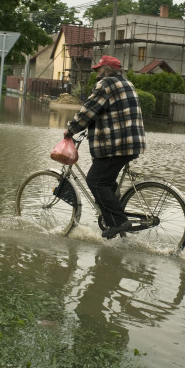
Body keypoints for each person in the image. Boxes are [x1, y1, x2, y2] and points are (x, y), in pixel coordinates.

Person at [65, 55, 146, 239]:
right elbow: (108, 112)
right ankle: (117, 223)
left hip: (116, 145)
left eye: (99, 70)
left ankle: (118, 222)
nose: (96, 74)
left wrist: (70, 130)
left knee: (95, 180)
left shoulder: (106, 84)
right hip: (132, 142)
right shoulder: (127, 83)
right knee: (106, 183)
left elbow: (88, 111)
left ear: (107, 71)